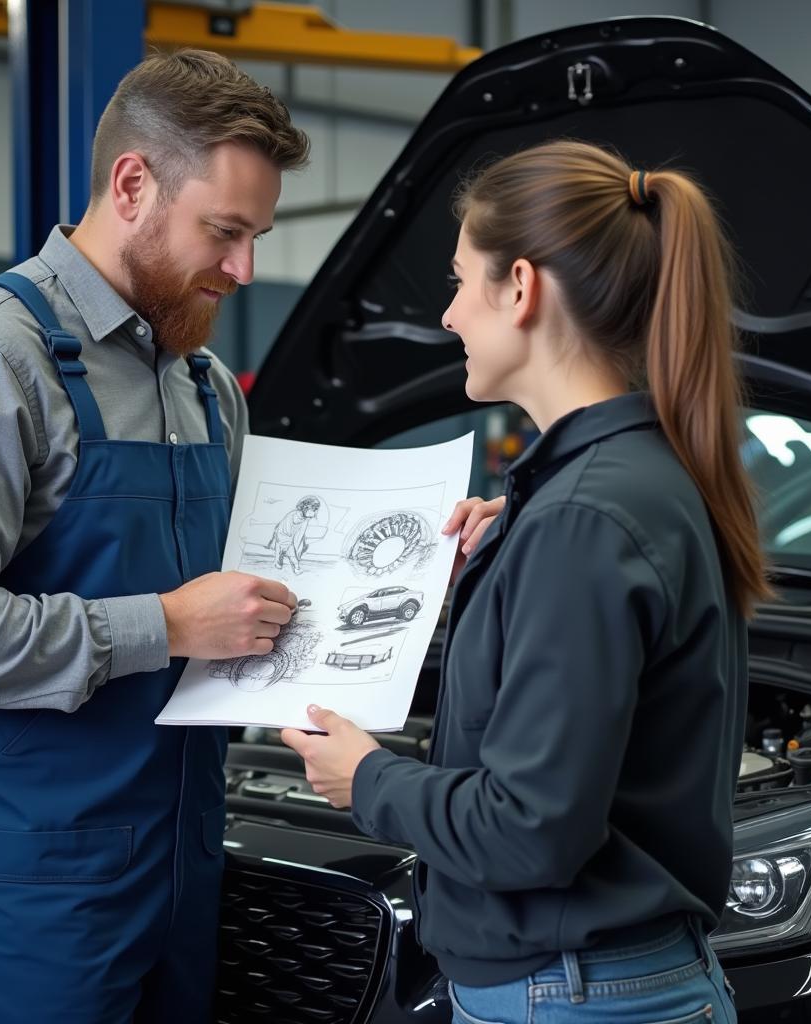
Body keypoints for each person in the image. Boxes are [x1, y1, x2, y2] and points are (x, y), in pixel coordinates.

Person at [0, 49, 310, 1023]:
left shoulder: (202, 387)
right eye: (224, 232)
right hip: (35, 880)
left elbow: (241, 599)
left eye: (255, 237)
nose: (241, 269)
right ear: (132, 183)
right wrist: (163, 625)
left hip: (186, 861)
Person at [282, 140, 766, 1024]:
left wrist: (368, 779)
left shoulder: (585, 517)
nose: (449, 315)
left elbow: (529, 830)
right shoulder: (623, 484)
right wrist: (513, 556)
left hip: (571, 997)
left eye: (463, 281)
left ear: (522, 287)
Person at [267, 494, 321, 572]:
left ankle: (279, 563)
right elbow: (287, 529)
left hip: (284, 535)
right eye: (314, 509)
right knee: (289, 552)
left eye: (316, 509)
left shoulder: (305, 518)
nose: (315, 512)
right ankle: (296, 568)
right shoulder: (295, 516)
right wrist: (290, 541)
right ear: (306, 508)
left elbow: (301, 533)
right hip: (284, 535)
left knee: (281, 551)